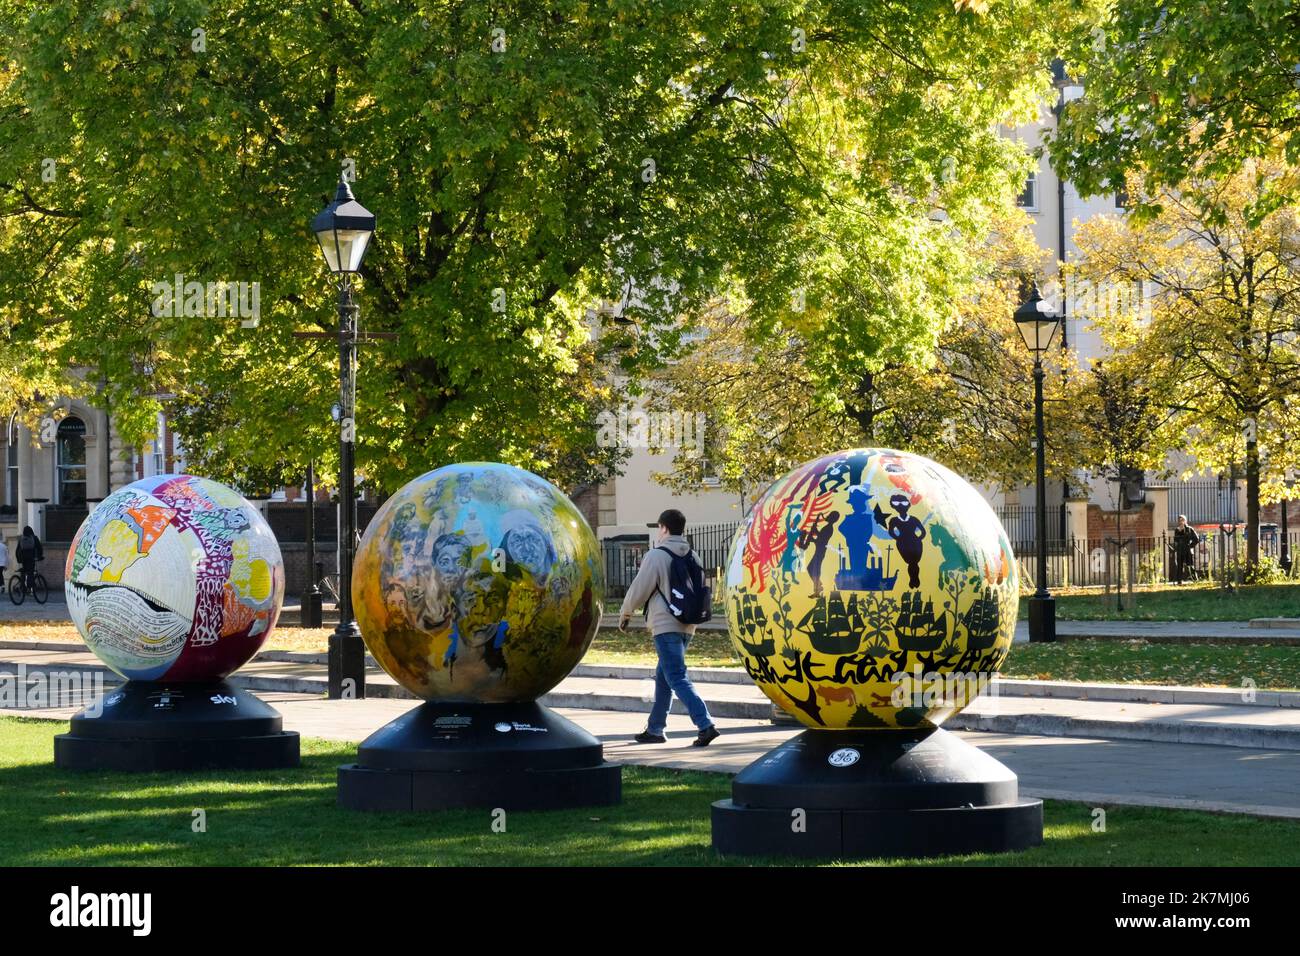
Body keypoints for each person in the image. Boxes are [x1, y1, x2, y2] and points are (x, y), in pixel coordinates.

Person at [618, 508, 719, 746]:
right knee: (663, 677)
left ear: (663, 528)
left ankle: (705, 725)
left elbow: (639, 587)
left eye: (659, 528)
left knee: (675, 676)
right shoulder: (693, 556)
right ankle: (655, 729)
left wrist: (626, 613)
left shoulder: (657, 555)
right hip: (688, 624)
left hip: (665, 624)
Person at [1172, 515, 1199, 584]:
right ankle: (1179, 581)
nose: (1181, 522)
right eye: (1180, 520)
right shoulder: (1177, 530)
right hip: (1180, 550)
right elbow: (1175, 540)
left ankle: (1195, 580)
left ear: (1185, 521)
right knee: (1179, 566)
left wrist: (1190, 546)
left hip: (1187, 550)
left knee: (1190, 565)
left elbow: (1196, 539)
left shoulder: (1189, 529)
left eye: (1182, 520)